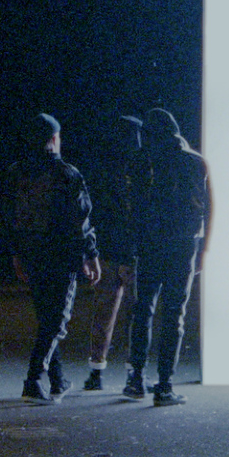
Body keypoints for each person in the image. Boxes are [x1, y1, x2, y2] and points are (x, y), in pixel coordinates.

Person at [4, 112, 101, 404]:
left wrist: (16, 253)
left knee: (46, 316)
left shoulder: (16, 173)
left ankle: (58, 380)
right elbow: (80, 218)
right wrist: (91, 254)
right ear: (54, 139)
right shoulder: (67, 173)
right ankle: (33, 380)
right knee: (57, 320)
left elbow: (10, 218)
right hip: (61, 254)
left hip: (31, 253)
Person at [121, 107, 212, 407]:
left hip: (149, 244)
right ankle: (164, 386)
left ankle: (135, 379)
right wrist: (203, 249)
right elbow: (204, 208)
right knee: (174, 314)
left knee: (143, 309)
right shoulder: (195, 162)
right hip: (183, 245)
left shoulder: (139, 160)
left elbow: (132, 209)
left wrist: (130, 246)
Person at [81, 115, 143, 392]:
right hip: (133, 253)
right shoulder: (143, 170)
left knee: (103, 314)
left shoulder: (102, 170)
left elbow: (93, 213)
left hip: (107, 251)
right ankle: (134, 373)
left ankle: (96, 372)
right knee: (135, 315)